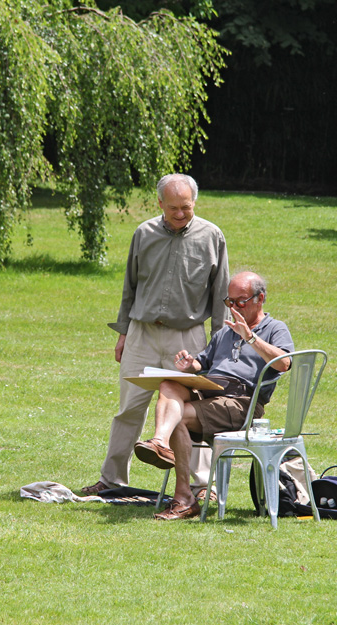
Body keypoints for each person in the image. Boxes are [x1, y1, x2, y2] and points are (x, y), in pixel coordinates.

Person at [80, 174, 229, 498]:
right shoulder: (143, 233)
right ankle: (112, 480)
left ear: (195, 203)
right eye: (173, 207)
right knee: (128, 410)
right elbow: (129, 287)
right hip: (141, 334)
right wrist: (123, 333)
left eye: (186, 207)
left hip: (187, 339)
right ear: (159, 203)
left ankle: (202, 486)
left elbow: (221, 295)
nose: (180, 213)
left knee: (193, 413)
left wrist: (219, 346)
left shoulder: (212, 236)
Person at [132, 271, 295, 520]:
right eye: (229, 301)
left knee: (178, 416)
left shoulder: (275, 328)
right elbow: (203, 362)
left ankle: (184, 497)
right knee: (168, 385)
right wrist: (190, 365)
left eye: (240, 301)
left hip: (241, 403)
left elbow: (284, 364)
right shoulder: (224, 332)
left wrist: (250, 337)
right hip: (210, 392)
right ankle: (160, 443)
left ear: (260, 298)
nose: (233, 307)